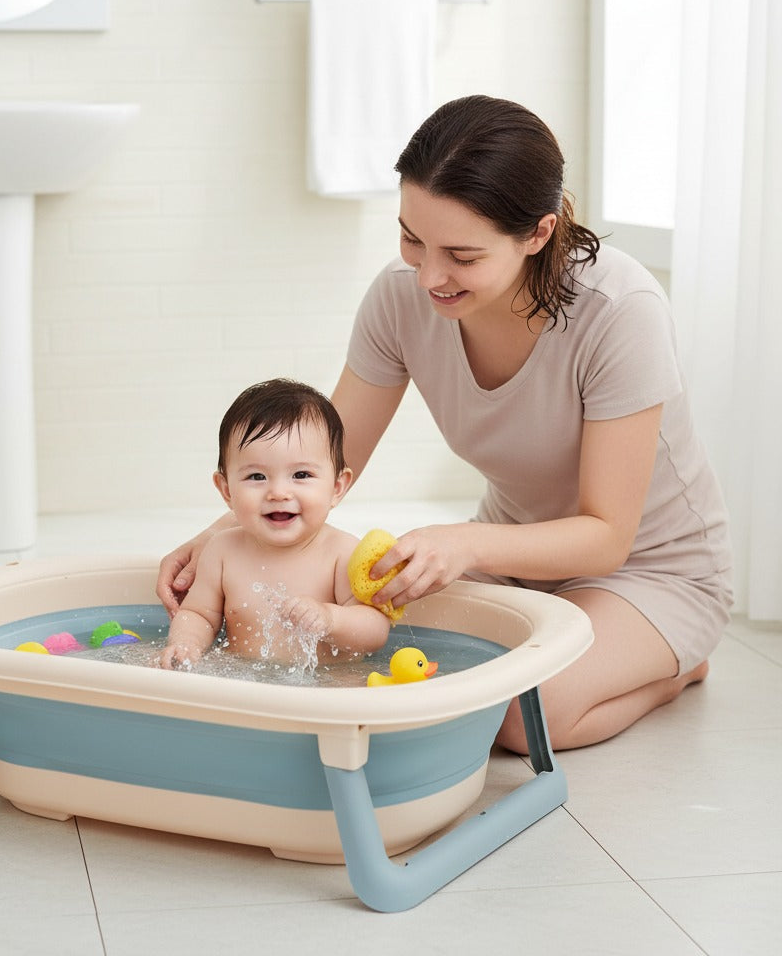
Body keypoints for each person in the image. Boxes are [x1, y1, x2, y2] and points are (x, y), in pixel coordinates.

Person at [158, 95, 733, 751]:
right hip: (513, 558)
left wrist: (464, 544)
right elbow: (321, 457)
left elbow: (607, 537)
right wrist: (218, 534)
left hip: (652, 571)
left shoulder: (619, 311)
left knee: (516, 719)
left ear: (538, 233)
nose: (430, 275)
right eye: (412, 238)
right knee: (408, 671)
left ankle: (677, 668)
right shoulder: (399, 299)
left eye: (461, 255)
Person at [157, 378, 392, 671]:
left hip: (329, 686)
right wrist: (185, 645)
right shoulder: (221, 551)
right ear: (227, 490)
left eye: (301, 475)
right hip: (245, 683)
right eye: (257, 477)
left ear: (337, 487)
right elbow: (198, 615)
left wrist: (331, 619)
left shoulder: (341, 552)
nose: (278, 493)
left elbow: (375, 631)